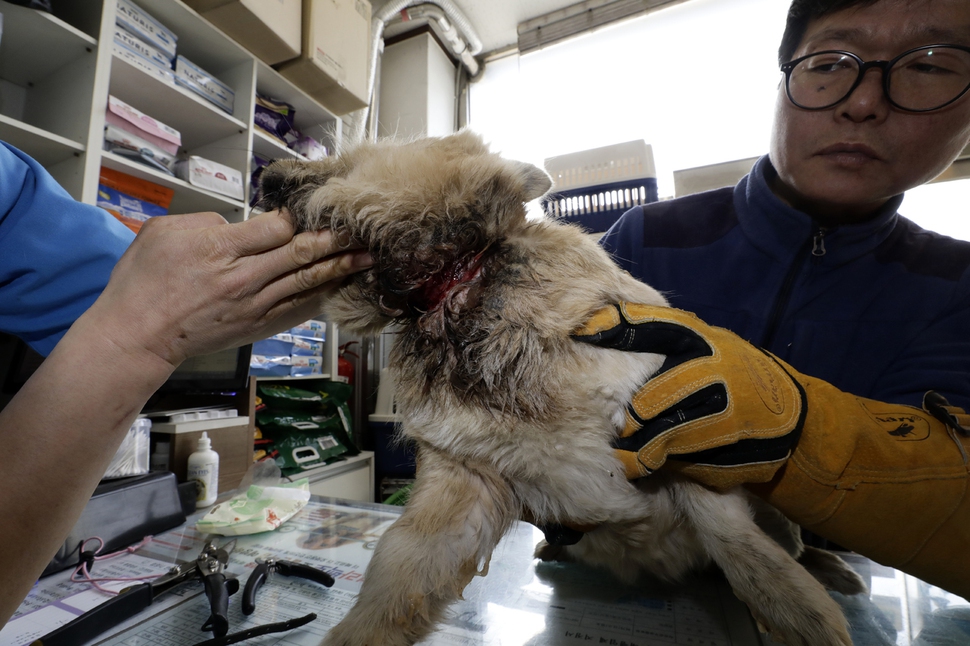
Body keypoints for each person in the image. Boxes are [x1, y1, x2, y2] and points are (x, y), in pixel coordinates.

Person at [580, 0, 970, 599]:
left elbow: (942, 498)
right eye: (831, 61)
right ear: (784, 79)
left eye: (928, 65)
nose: (863, 101)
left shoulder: (956, 289)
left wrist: (794, 435)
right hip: (617, 576)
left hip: (823, 595)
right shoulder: (642, 238)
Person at [0, 141, 373, 624]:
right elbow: (141, 303)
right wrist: (139, 332)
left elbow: (136, 275)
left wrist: (224, 280)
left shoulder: (16, 196)